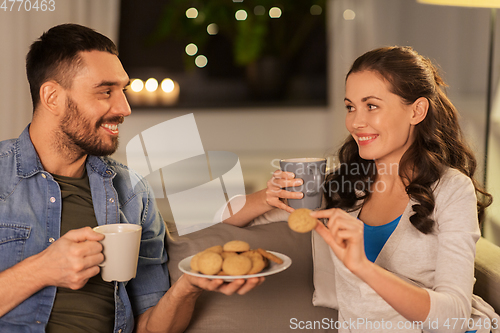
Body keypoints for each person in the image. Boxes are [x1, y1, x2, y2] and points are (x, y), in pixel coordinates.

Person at [0, 23, 263, 333]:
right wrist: (41, 270)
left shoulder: (132, 192)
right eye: (106, 91)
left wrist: (187, 287)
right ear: (52, 97)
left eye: (123, 90)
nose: (124, 107)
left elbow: (151, 325)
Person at [224, 46, 500, 332]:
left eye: (371, 106)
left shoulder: (452, 190)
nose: (356, 122)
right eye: (350, 107)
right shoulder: (343, 188)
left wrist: (363, 267)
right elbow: (219, 219)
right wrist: (266, 197)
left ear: (417, 111)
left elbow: (453, 319)